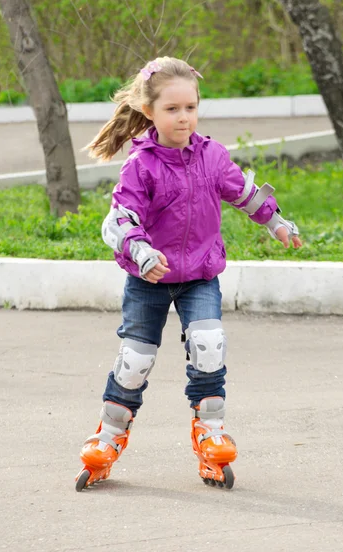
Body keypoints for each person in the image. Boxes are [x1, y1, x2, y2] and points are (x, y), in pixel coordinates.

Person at [75, 56, 302, 492]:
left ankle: (210, 432)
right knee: (136, 360)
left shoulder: (212, 156)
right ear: (149, 112)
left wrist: (275, 221)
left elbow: (244, 193)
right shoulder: (140, 166)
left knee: (209, 345)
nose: (183, 117)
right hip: (149, 279)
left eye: (190, 108)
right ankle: (108, 436)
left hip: (199, 274)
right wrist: (141, 252)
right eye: (172, 109)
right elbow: (119, 220)